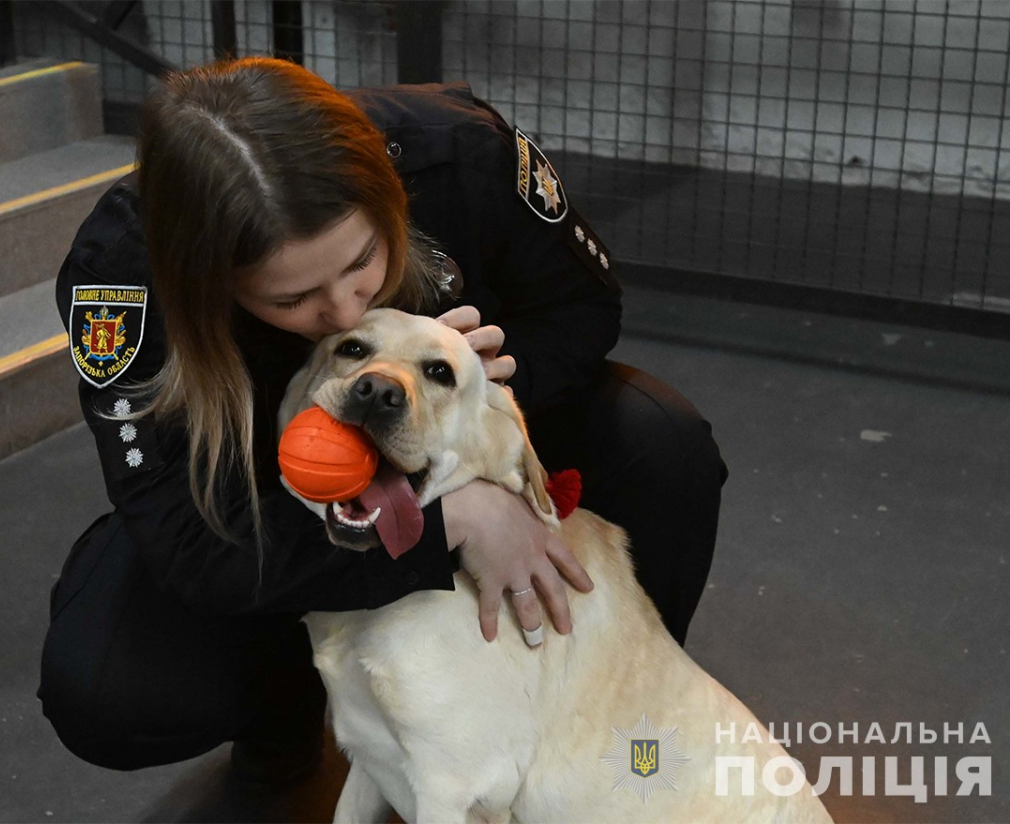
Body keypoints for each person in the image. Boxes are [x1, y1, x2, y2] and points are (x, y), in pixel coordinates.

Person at [38, 57, 727, 787]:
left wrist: (477, 391)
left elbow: (583, 306)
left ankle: (604, 702)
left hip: (459, 438)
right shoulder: (121, 278)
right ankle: (291, 707)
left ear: (390, 194)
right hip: (271, 497)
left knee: (662, 444)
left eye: (364, 260)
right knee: (109, 688)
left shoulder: (462, 154)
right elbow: (184, 537)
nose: (342, 311)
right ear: (208, 280)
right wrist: (451, 521)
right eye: (290, 300)